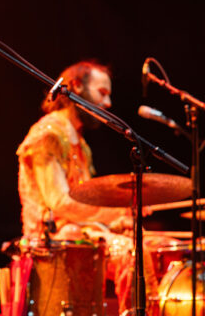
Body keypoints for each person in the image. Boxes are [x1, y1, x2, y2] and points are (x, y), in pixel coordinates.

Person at [16, 60, 157, 314]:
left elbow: (87, 204)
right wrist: (116, 213)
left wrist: (122, 218)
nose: (108, 104)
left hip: (82, 234)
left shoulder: (80, 143)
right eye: (102, 93)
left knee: (153, 245)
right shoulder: (47, 135)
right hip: (55, 244)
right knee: (133, 255)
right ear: (76, 87)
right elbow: (59, 203)